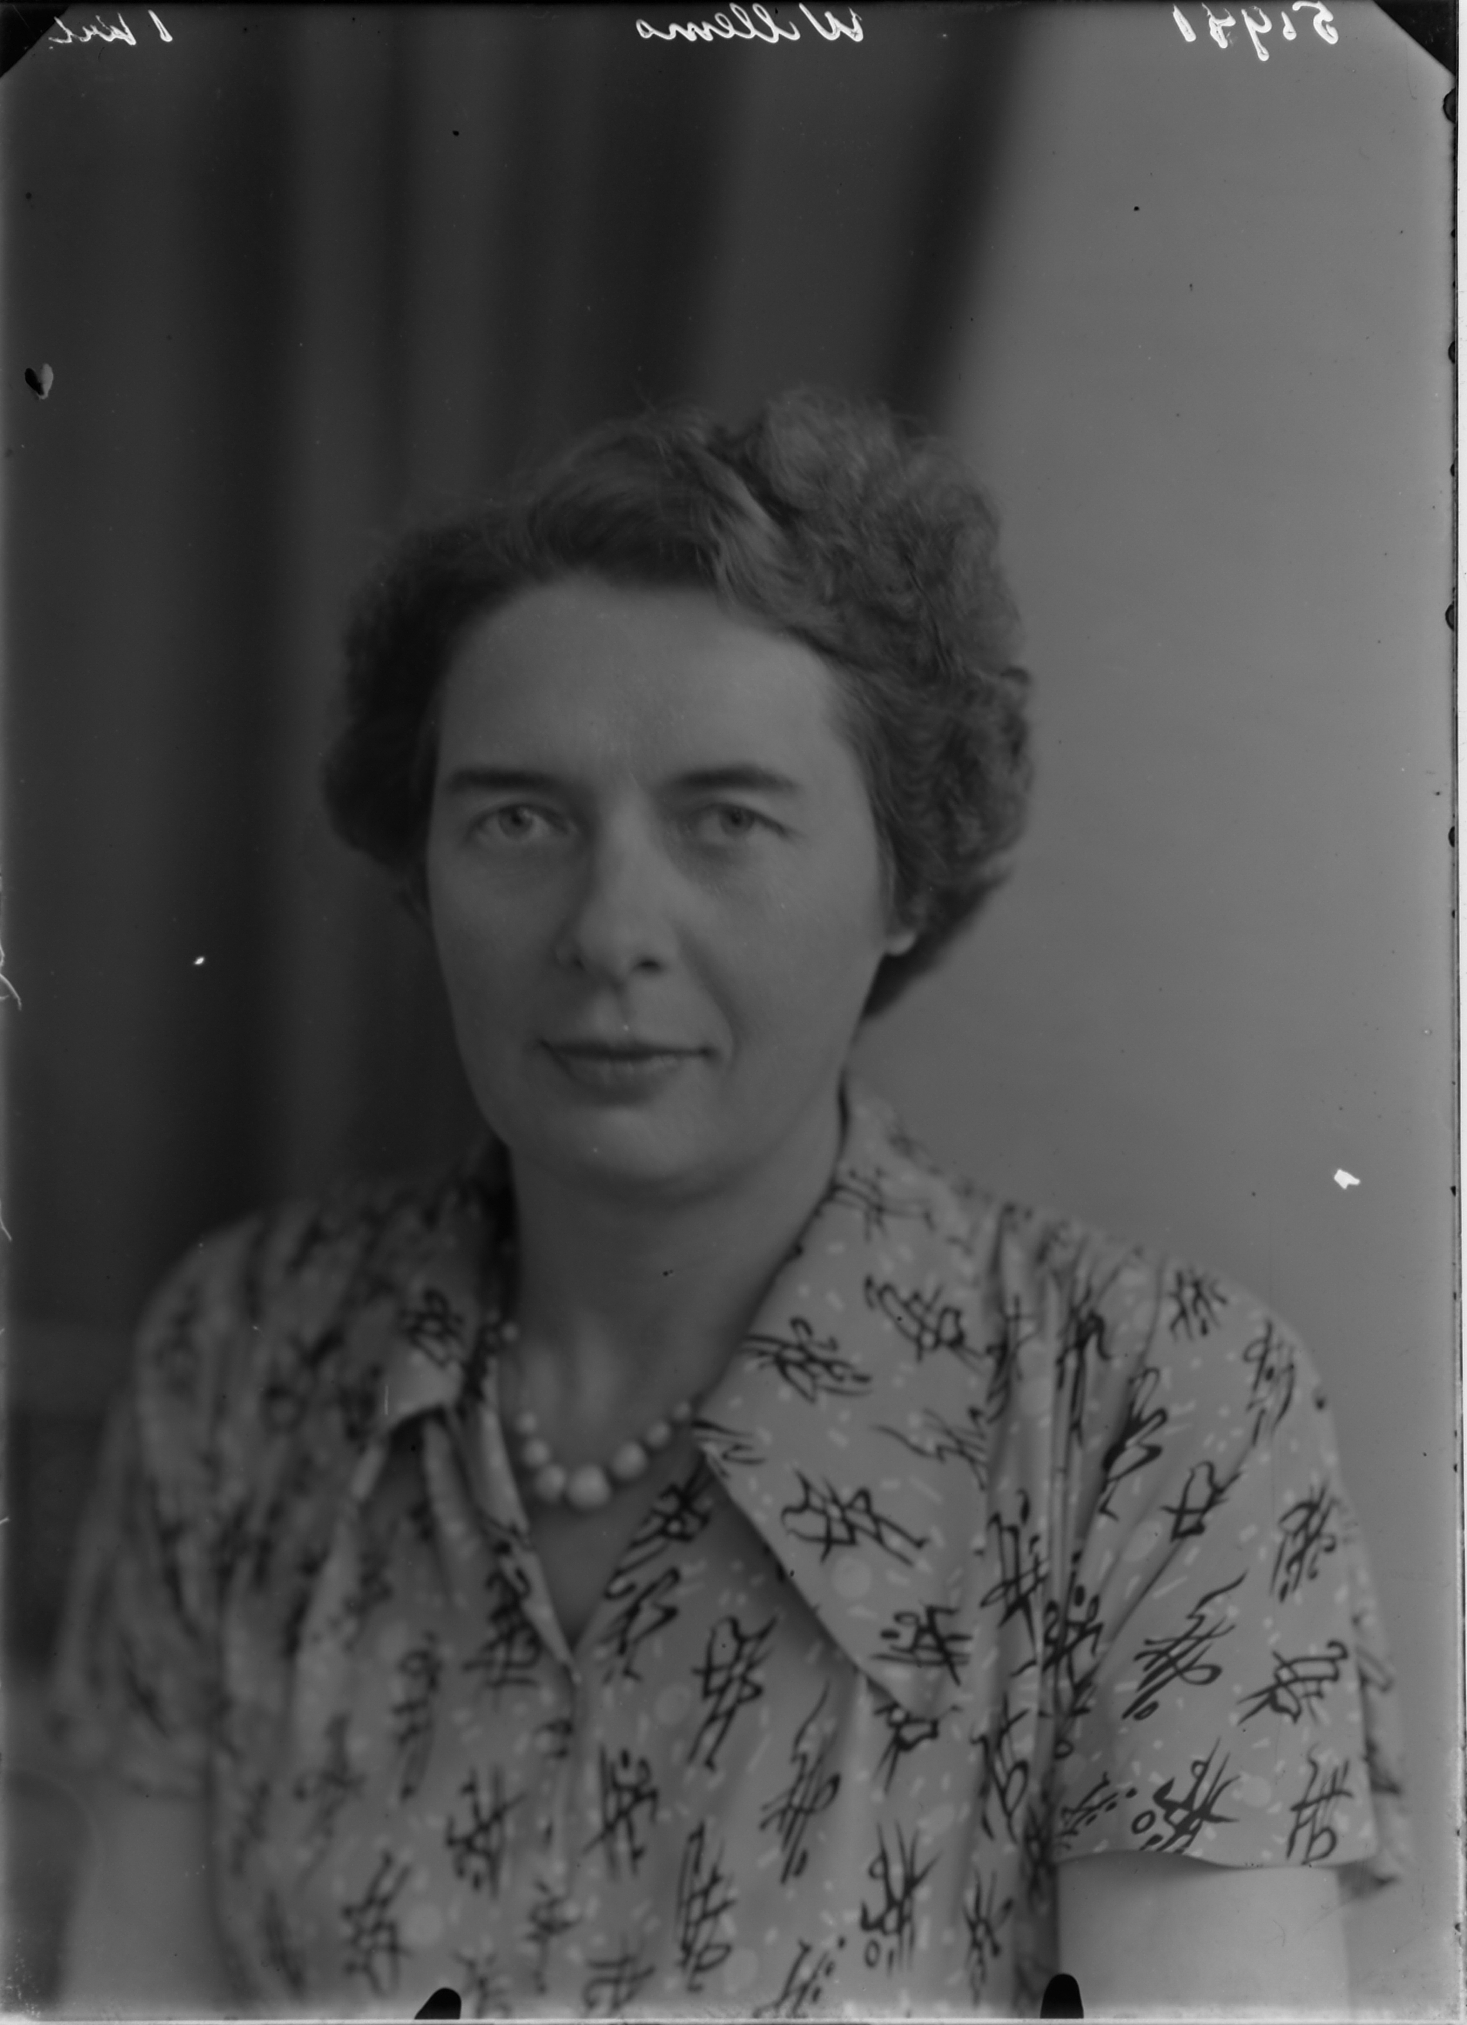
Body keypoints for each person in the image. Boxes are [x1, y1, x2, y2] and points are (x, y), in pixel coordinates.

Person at [50, 391, 1407, 2019]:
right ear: (420, 872)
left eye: (729, 821)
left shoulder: (1155, 1414)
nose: (610, 927)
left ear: (905, 879)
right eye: (519, 818)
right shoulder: (244, 1353)